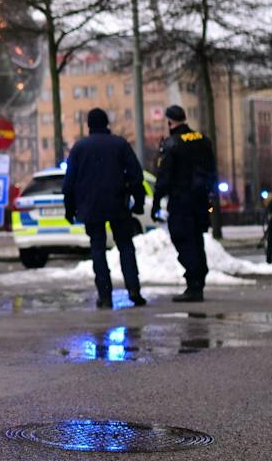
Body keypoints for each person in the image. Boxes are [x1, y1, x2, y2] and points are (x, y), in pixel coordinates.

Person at [62, 107, 148, 308]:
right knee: (126, 246)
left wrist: (69, 208)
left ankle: (105, 295)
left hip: (91, 206)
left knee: (98, 249)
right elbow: (136, 174)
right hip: (118, 203)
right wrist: (139, 202)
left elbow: (69, 182)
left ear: (89, 125)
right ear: (107, 123)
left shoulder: (79, 148)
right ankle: (134, 289)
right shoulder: (120, 145)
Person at [152, 104, 219, 303]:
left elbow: (164, 177)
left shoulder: (172, 144)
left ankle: (193, 284)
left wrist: (156, 202)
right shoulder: (202, 140)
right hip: (201, 201)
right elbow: (212, 170)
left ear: (170, 122)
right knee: (197, 240)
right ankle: (198, 280)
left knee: (183, 239)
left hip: (181, 202)